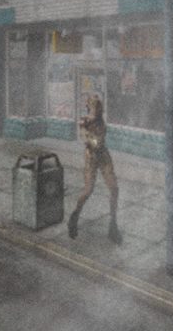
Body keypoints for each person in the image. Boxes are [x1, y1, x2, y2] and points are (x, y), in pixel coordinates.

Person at [67, 94, 122, 244]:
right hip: (91, 157)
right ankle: (74, 217)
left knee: (114, 188)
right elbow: (90, 140)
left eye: (98, 107)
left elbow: (100, 140)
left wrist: (92, 129)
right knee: (88, 190)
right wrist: (87, 126)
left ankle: (113, 225)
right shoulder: (84, 122)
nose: (97, 110)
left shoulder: (100, 121)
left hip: (103, 156)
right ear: (89, 107)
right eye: (94, 107)